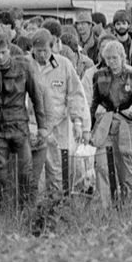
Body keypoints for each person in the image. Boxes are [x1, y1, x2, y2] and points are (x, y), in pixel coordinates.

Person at [0, 32, 46, 209]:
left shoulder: (24, 67)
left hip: (19, 127)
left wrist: (42, 127)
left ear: (9, 50)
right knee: (1, 177)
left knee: (26, 173)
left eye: (3, 52)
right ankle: (6, 213)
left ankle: (27, 212)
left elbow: (36, 97)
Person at [88, 39, 132, 206]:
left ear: (122, 57)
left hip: (126, 122)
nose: (112, 62)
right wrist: (89, 127)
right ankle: (105, 204)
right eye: (108, 59)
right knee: (102, 163)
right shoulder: (99, 75)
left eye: (115, 58)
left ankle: (128, 204)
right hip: (106, 121)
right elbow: (94, 103)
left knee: (126, 163)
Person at [29, 29, 90, 197]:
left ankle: (56, 207)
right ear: (32, 49)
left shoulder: (63, 65)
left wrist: (78, 122)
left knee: (57, 170)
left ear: (53, 47)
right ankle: (35, 209)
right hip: (34, 127)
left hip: (58, 127)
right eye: (38, 51)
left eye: (45, 51)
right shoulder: (25, 65)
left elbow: (75, 94)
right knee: (35, 173)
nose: (42, 55)